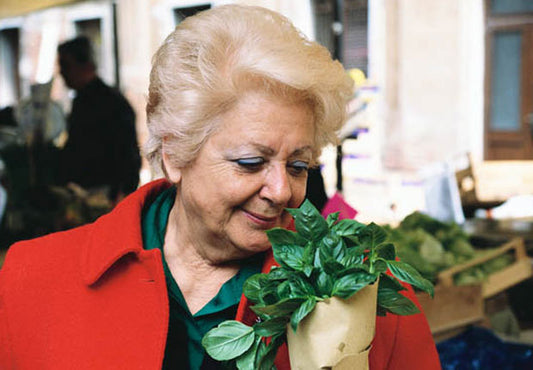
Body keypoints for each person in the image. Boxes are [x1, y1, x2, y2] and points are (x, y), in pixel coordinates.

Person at [0, 5, 440, 369]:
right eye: (251, 162)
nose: (282, 190)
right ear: (173, 154)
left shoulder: (368, 292)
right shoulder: (31, 281)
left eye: (300, 165)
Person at [57, 36, 141, 202]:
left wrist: (123, 193)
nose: (61, 73)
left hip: (105, 195)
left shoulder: (111, 102)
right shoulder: (82, 100)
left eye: (66, 66)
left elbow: (127, 153)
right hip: (85, 192)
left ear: (85, 65)